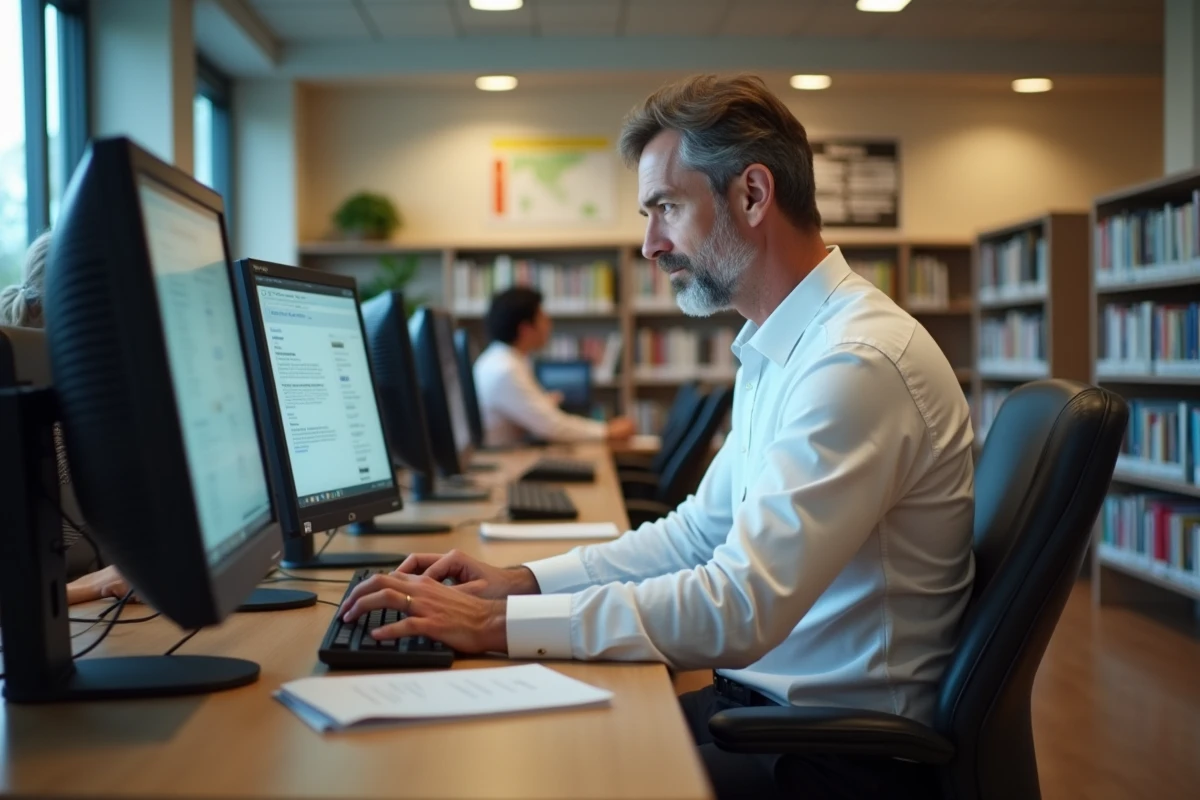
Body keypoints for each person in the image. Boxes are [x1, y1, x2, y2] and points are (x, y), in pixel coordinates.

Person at [340, 74, 975, 799]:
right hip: (764, 716)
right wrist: (521, 583)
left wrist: (496, 623)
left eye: (666, 208)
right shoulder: (781, 347)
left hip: (833, 757)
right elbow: (695, 536)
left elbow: (741, 605)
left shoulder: (855, 362)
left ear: (752, 195)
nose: (649, 245)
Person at [2, 231, 133, 605]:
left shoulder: (89, 411)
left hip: (96, 627)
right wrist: (93, 586)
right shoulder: (19, 414)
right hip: (41, 636)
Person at [472, 286, 635, 446]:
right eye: (542, 317)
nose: (549, 324)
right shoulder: (505, 370)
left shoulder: (503, 360)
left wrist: (542, 403)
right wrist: (607, 431)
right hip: (504, 459)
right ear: (525, 329)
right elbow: (552, 427)